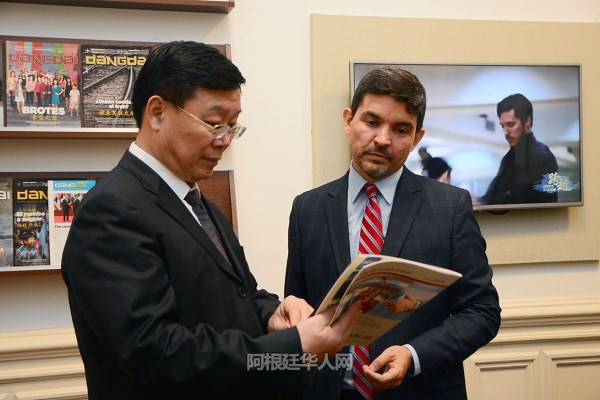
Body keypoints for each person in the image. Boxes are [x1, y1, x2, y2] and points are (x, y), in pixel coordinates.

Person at [61, 40, 359, 400]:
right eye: (215, 124)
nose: (225, 140)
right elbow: (155, 352)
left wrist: (272, 314)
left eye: (233, 126)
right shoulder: (111, 211)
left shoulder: (200, 203)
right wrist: (292, 345)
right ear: (157, 113)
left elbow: (238, 294)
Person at [284, 66, 501, 400]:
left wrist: (413, 355)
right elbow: (297, 309)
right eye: (371, 122)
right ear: (348, 120)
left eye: (400, 129)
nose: (383, 139)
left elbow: (482, 312)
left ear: (417, 138)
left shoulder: (450, 207)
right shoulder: (307, 209)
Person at [481, 93, 558, 205]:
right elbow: (493, 197)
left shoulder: (539, 156)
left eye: (510, 125)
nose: (505, 132)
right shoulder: (509, 158)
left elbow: (520, 200)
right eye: (502, 126)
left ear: (527, 121)